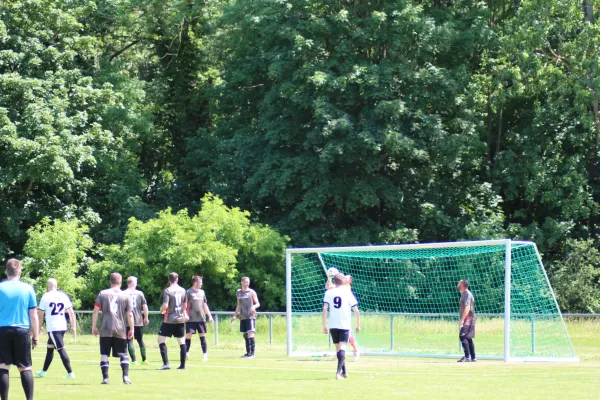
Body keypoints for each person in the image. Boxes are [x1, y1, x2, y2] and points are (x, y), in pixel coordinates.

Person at [0, 259, 39, 400]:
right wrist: (35, 336)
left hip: (2, 330)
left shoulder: (0, 288)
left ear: (6, 271)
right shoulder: (28, 289)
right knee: (25, 367)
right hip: (22, 331)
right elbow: (33, 315)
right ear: (20, 271)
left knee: (3, 366)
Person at [92, 273, 134, 384]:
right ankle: (125, 377)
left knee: (104, 354)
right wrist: (132, 329)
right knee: (124, 354)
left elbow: (96, 311)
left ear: (110, 282)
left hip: (105, 328)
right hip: (120, 329)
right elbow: (130, 314)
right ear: (120, 282)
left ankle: (105, 378)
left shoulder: (103, 293)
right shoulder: (126, 295)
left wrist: (94, 327)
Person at [322, 273, 360, 380]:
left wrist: (324, 324)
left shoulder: (329, 292)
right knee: (342, 348)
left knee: (338, 349)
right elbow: (356, 310)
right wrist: (358, 324)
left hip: (333, 324)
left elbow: (325, 309)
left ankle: (344, 371)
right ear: (342, 281)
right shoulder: (347, 292)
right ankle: (338, 373)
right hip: (344, 324)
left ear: (334, 281)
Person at [36, 278, 76, 379]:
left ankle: (70, 373)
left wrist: (39, 326)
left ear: (47, 285)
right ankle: (43, 371)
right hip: (62, 326)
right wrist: (73, 326)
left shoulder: (45, 296)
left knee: (60, 349)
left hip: (54, 327)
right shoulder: (63, 295)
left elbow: (40, 314)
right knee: (50, 348)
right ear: (56, 285)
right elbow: (71, 312)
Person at [157, 272, 188, 370]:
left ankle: (166, 364)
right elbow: (185, 306)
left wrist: (161, 309)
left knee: (160, 340)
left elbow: (165, 305)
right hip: (180, 319)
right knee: (181, 341)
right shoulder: (183, 290)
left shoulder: (168, 290)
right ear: (177, 279)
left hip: (169, 319)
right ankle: (183, 365)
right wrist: (184, 314)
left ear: (168, 280)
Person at [230, 277, 260, 358]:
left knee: (251, 333)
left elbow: (258, 303)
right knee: (245, 335)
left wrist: (253, 307)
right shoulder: (238, 292)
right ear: (241, 282)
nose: (247, 283)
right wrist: (234, 316)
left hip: (250, 316)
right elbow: (238, 305)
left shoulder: (251, 292)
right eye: (245, 282)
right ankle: (247, 353)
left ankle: (252, 353)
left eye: (248, 282)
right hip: (243, 316)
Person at [185, 276, 213, 361]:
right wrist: (185, 314)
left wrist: (210, 316)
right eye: (200, 282)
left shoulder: (202, 292)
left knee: (202, 336)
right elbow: (184, 305)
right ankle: (186, 353)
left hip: (201, 319)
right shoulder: (188, 292)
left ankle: (205, 355)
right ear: (195, 283)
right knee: (188, 336)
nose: (201, 284)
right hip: (191, 319)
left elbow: (205, 305)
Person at [124, 277, 149, 365]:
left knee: (129, 341)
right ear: (133, 283)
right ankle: (144, 359)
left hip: (127, 321)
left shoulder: (123, 293)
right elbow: (145, 306)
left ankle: (134, 360)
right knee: (140, 340)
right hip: (138, 321)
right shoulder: (140, 293)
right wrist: (146, 317)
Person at [457, 279, 477, 363]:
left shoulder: (467, 294)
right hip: (469, 318)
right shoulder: (465, 294)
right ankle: (473, 357)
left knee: (462, 336)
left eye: (459, 283)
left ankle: (467, 357)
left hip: (468, 318)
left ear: (462, 285)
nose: (457, 284)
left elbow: (467, 307)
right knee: (468, 338)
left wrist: (462, 320)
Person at [343, 275, 360, 360]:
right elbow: (327, 287)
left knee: (349, 338)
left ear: (349, 281)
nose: (344, 278)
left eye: (346, 278)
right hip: (338, 316)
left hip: (345, 317)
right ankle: (340, 353)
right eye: (344, 277)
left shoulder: (347, 287)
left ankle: (356, 350)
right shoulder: (339, 287)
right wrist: (329, 278)